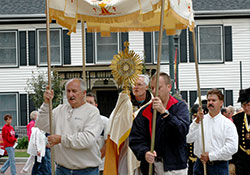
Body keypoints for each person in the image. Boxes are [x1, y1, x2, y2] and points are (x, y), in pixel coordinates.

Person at [36, 78, 103, 175]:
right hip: (62, 170)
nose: (71, 94)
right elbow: (42, 124)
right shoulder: (60, 110)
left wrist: (61, 139)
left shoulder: (92, 112)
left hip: (86, 171)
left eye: (74, 91)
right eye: (68, 91)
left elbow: (88, 139)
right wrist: (46, 104)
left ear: (84, 93)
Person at [129, 72, 190, 175]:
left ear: (169, 87)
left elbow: (182, 130)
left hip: (175, 166)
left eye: (159, 88)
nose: (155, 92)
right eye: (152, 88)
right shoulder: (145, 112)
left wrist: (165, 113)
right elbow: (135, 138)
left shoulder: (179, 107)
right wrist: (144, 152)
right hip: (152, 167)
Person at [186, 88, 238, 175]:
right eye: (209, 100)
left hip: (219, 167)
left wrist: (210, 156)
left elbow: (232, 147)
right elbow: (189, 139)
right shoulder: (199, 121)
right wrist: (196, 122)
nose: (210, 103)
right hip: (200, 166)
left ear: (221, 103)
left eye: (213, 100)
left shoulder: (227, 124)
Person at [129, 74, 153, 175]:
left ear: (146, 87)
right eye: (134, 84)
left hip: (145, 148)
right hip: (128, 146)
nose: (136, 87)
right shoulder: (126, 103)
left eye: (139, 84)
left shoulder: (152, 104)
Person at [86, 92, 109, 175]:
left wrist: (95, 159)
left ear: (96, 105)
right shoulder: (78, 122)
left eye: (91, 102)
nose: (88, 105)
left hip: (100, 167)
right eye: (86, 102)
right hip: (83, 167)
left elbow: (107, 145)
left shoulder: (105, 122)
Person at [232, 87, 250, 175]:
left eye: (249, 105)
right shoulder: (237, 119)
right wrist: (232, 162)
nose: (246, 108)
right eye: (244, 105)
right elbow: (233, 141)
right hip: (241, 160)